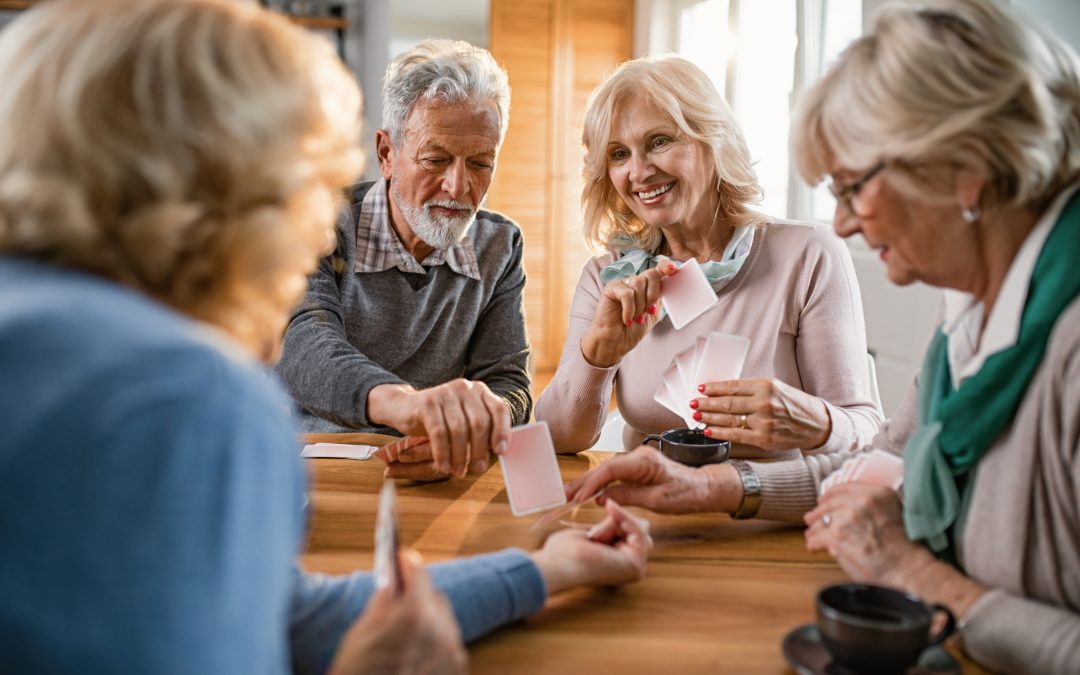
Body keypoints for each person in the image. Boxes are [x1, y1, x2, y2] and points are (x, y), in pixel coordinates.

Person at [0, 2, 652, 673]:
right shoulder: (191, 401)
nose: (313, 228)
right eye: (299, 185)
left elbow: (287, 613)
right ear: (211, 186)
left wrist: (542, 570)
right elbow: (302, 344)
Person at [566, 1, 1080, 672]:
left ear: (965, 168)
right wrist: (711, 489)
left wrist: (915, 571)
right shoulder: (969, 314)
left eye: (855, 186)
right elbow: (876, 467)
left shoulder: (1060, 341)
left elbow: (869, 459)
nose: (841, 224)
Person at [535, 55, 882, 459]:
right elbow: (556, 440)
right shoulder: (607, 278)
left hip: (770, 512)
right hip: (647, 509)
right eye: (618, 154)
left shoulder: (807, 255)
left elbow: (865, 432)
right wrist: (598, 355)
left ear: (713, 140)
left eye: (659, 142)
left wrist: (812, 420)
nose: (639, 171)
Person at [276, 39, 530, 481]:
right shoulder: (320, 220)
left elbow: (510, 385)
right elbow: (303, 342)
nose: (458, 186)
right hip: (310, 461)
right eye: (435, 160)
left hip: (430, 470)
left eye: (481, 163)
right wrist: (408, 404)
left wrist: (471, 430)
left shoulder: (500, 245)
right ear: (387, 154)